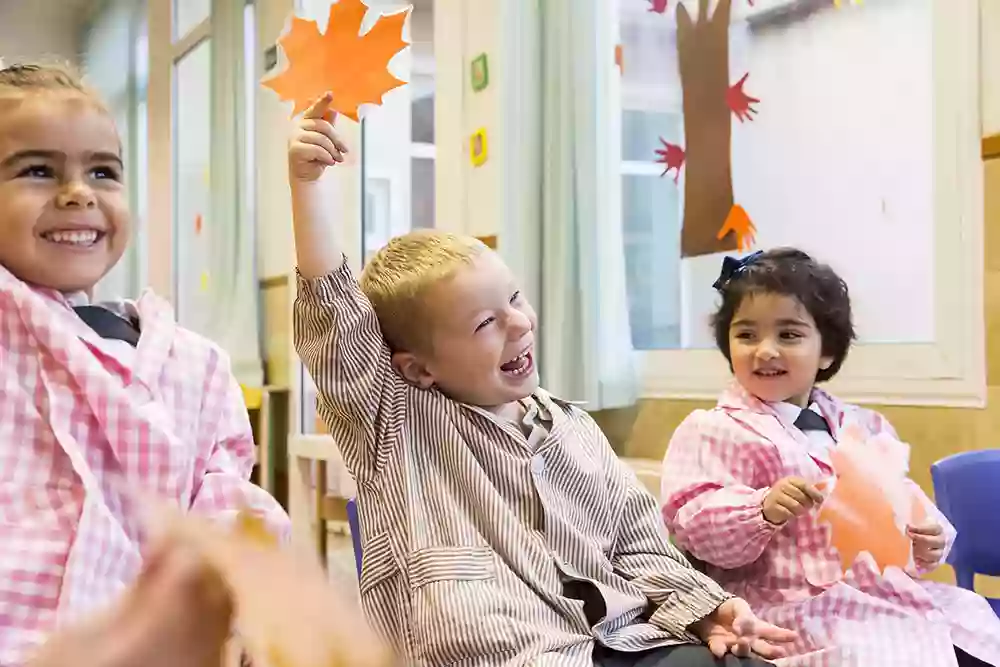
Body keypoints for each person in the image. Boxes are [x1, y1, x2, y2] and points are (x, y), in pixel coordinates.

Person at [289, 92, 797, 667]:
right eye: (485, 322)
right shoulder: (395, 421)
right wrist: (307, 191)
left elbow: (636, 547)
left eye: (514, 299)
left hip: (623, 640)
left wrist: (709, 610)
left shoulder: (571, 427)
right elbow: (335, 326)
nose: (520, 323)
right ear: (417, 368)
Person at [0, 62, 290, 665]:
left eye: (103, 172)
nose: (78, 192)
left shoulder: (191, 367)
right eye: (37, 170)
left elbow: (226, 505)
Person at [659, 248, 1000, 667]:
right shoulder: (713, 430)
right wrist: (760, 509)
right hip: (791, 608)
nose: (764, 350)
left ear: (827, 352)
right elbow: (692, 527)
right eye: (746, 335)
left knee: (975, 636)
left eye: (788, 335)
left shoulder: (863, 426)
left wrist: (929, 537)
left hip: (884, 598)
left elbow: (904, 501)